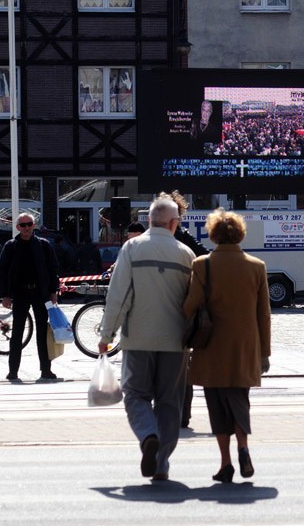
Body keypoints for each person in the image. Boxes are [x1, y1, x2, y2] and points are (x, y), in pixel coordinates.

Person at [98, 197, 195, 481]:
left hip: (138, 339)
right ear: (174, 223)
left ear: (149, 220)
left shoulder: (132, 248)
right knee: (169, 403)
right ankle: (161, 463)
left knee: (136, 396)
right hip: (175, 343)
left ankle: (147, 435)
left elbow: (119, 296)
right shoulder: (185, 254)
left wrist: (107, 334)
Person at [183, 208, 271, 483]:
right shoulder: (256, 266)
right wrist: (264, 353)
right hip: (245, 346)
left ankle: (225, 463)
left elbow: (190, 306)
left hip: (211, 347)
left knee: (216, 405)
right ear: (240, 234)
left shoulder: (202, 265)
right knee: (239, 399)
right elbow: (263, 315)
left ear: (213, 234)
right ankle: (244, 447)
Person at [161, 190, 210, 429]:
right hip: (182, 304)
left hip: (170, 306)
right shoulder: (183, 237)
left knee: (168, 363)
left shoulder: (177, 237)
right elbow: (206, 258)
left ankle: (173, 412)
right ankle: (181, 414)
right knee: (181, 364)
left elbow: (205, 258)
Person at [0, 213, 61, 382]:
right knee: (17, 333)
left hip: (41, 293)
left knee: (42, 333)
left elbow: (53, 269)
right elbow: (2, 271)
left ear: (34, 225)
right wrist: (5, 294)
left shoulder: (43, 245)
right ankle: (13, 371)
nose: (26, 228)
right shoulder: (11, 246)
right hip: (20, 294)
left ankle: (46, 370)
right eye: (23, 225)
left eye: (29, 224)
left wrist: (53, 291)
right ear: (17, 227)